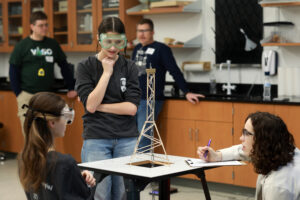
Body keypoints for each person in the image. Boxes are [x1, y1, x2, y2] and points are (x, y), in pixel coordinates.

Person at [75, 17, 141, 200]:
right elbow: (90, 104)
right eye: (108, 42)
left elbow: (131, 109)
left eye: (118, 42)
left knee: (121, 194)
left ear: (124, 40)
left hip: (126, 138)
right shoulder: (85, 67)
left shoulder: (130, 67)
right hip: (96, 138)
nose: (113, 48)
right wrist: (107, 73)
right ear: (98, 38)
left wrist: (97, 106)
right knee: (99, 194)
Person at [132, 18, 204, 150]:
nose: (141, 34)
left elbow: (174, 71)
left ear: (152, 32)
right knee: (132, 137)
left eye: (145, 31)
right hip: (134, 99)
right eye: (139, 31)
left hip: (150, 99)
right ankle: (133, 167)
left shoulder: (162, 49)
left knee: (144, 137)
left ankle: (142, 167)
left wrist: (186, 91)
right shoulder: (137, 48)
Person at [197, 112, 300, 200]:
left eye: (246, 133)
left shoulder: (277, 186)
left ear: (262, 140)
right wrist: (217, 156)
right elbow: (242, 150)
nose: (241, 138)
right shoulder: (283, 149)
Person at [18, 92, 95, 200]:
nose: (66, 122)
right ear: (52, 123)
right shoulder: (65, 163)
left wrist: (76, 178)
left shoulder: (24, 158)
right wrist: (83, 184)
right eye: (64, 116)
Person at [9, 11, 77, 133]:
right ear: (32, 26)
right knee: (29, 134)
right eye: (41, 25)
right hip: (27, 96)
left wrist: (71, 87)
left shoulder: (52, 44)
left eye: (46, 25)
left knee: (46, 134)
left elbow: (64, 66)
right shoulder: (22, 46)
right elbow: (13, 70)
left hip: (47, 97)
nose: (44, 28)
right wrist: (18, 93)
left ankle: (46, 153)